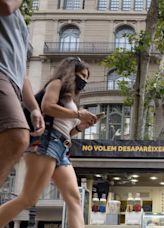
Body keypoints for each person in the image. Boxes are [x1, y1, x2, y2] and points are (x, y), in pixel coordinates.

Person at [0, 57, 97, 227]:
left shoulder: (71, 101)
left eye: (87, 77)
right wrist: (78, 114)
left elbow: (67, 131)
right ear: (71, 72)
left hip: (62, 149)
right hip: (46, 143)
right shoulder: (56, 84)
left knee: (74, 198)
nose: (84, 81)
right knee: (28, 198)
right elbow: (47, 107)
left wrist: (80, 127)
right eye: (82, 75)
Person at [0, 0, 45, 187]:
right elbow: (5, 5)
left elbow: (21, 72)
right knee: (17, 135)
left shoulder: (21, 23)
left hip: (12, 81)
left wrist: (34, 107)